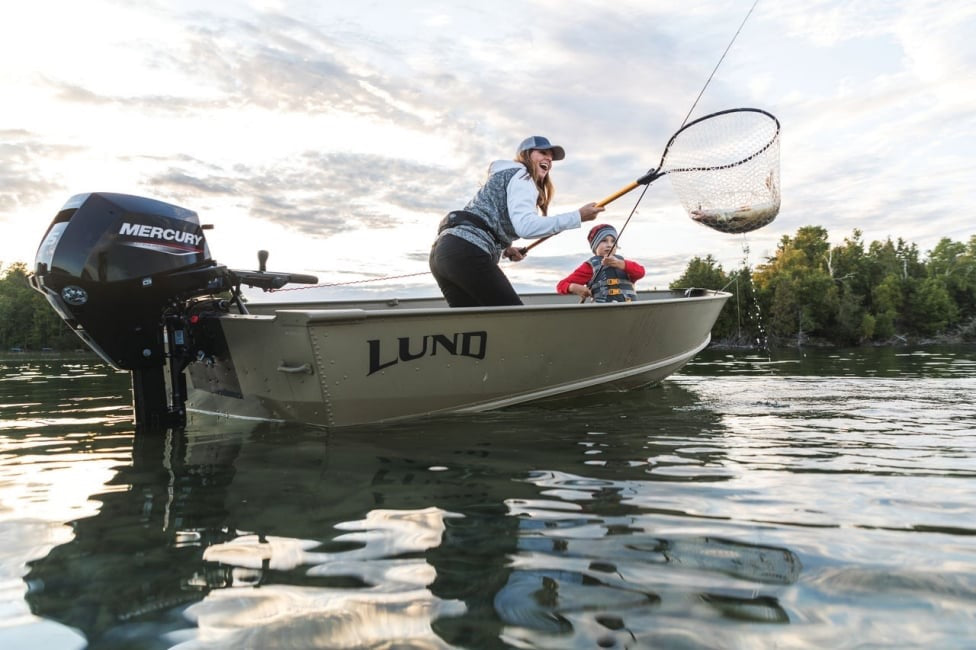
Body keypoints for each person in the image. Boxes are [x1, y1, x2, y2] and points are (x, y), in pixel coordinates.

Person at [429, 136, 604, 307]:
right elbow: (526, 227)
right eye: (543, 153)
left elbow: (486, 218)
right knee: (514, 320)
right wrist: (577, 216)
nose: (548, 159)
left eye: (550, 157)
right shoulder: (522, 176)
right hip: (466, 251)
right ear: (526, 155)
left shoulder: (505, 175)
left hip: (442, 253)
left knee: (472, 327)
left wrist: (505, 247)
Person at [556, 223, 645, 302]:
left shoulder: (624, 263)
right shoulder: (589, 266)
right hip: (603, 312)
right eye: (604, 240)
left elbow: (640, 272)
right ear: (595, 245)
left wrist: (620, 264)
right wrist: (573, 287)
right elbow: (561, 286)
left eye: (613, 241)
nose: (609, 245)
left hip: (629, 309)